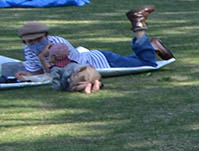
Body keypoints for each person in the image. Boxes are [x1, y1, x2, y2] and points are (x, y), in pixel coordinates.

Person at [10, 9, 170, 91]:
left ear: (46, 35)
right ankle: (152, 47)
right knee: (135, 60)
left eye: (38, 39)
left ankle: (138, 24)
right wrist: (28, 75)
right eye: (29, 41)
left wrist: (42, 58)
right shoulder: (29, 48)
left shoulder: (59, 44)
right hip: (93, 59)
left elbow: (66, 70)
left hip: (103, 61)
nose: (34, 44)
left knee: (148, 63)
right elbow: (39, 70)